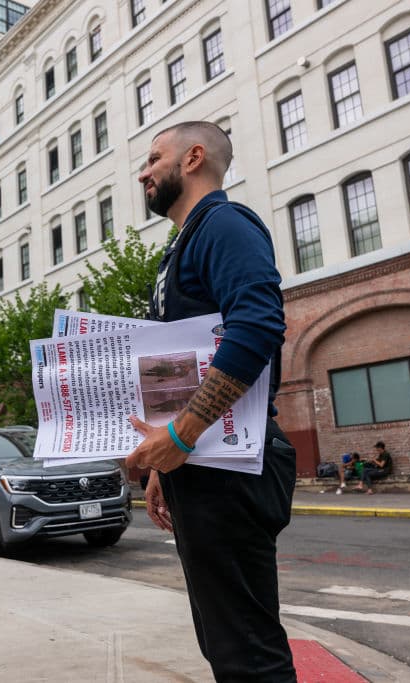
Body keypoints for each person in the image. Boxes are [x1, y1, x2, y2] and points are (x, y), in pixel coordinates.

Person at [124, 121, 296, 682]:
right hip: (202, 463)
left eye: (154, 158)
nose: (144, 173)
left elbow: (258, 326)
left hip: (233, 466)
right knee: (225, 644)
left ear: (193, 158)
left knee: (248, 653)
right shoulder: (182, 246)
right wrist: (163, 464)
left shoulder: (225, 223)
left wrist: (181, 435)